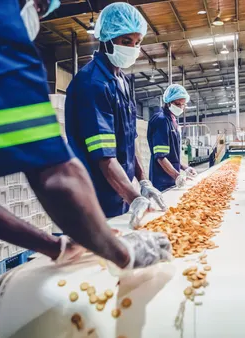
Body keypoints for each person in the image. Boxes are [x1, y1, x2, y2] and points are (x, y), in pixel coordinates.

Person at [0, 0, 171, 276]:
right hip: (99, 198)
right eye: (40, 7)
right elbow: (55, 173)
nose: (37, 18)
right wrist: (122, 252)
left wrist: (56, 247)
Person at [64, 3, 166, 227]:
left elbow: (130, 141)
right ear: (107, 39)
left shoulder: (123, 82)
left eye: (137, 43)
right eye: (126, 41)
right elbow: (103, 156)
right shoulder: (92, 84)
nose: (133, 48)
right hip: (95, 199)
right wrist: (134, 198)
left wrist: (144, 182)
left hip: (120, 191)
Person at [147, 84, 198, 191]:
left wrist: (185, 168)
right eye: (177, 104)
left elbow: (172, 156)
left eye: (183, 104)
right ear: (168, 102)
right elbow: (160, 156)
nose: (180, 107)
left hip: (171, 179)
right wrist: (177, 176)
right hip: (162, 180)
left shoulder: (173, 120)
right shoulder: (161, 120)